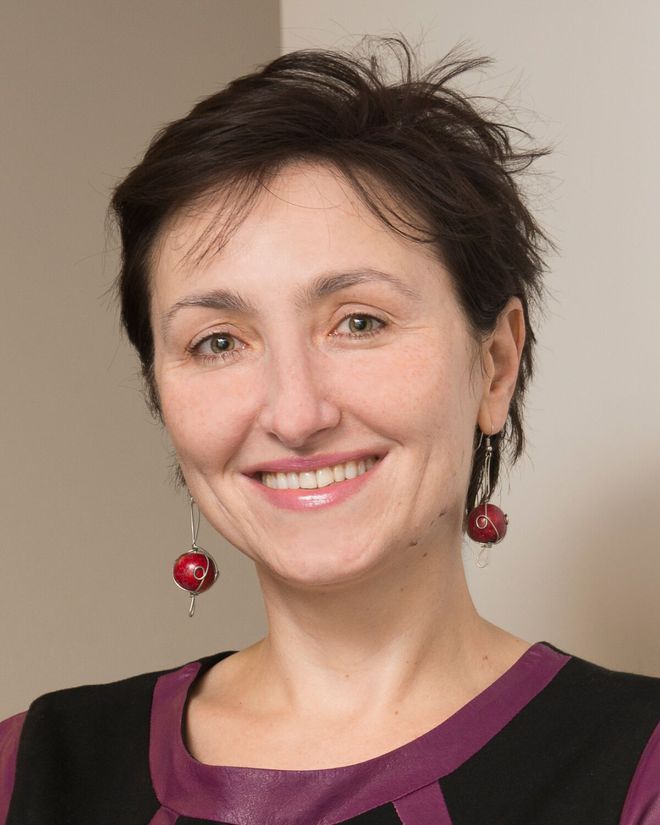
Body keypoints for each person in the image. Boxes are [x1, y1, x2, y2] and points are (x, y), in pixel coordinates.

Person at [1, 40, 659, 825]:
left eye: (359, 322)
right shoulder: (27, 772)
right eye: (219, 341)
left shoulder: (638, 769)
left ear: (494, 364)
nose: (295, 413)